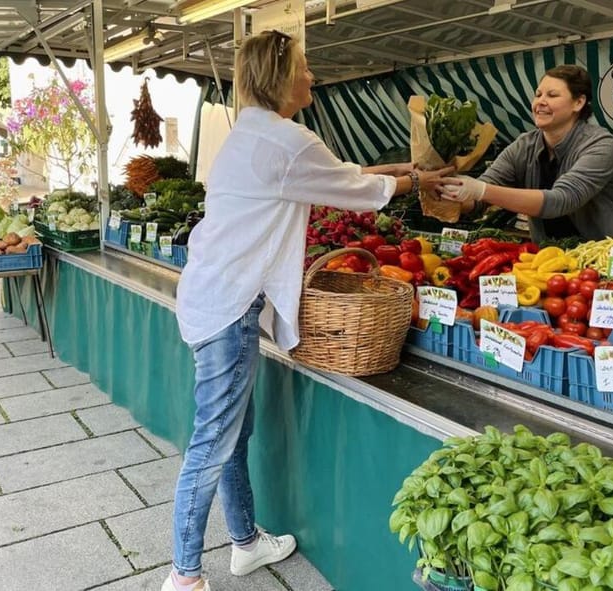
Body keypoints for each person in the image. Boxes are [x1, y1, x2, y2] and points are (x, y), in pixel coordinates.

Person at [167, 30, 452, 591]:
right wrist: (417, 177)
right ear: (281, 78)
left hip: (211, 294)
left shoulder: (252, 135)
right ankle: (184, 575)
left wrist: (406, 170)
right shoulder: (287, 140)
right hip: (229, 307)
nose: (312, 76)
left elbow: (342, 172)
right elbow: (358, 189)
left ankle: (245, 542)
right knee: (212, 442)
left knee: (232, 433)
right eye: (304, 67)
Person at [439, 65, 613, 244]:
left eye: (552, 95)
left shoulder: (601, 144)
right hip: (551, 258)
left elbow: (561, 200)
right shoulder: (523, 145)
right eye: (538, 94)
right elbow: (476, 203)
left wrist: (480, 190)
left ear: (578, 103)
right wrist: (448, 192)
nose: (540, 102)